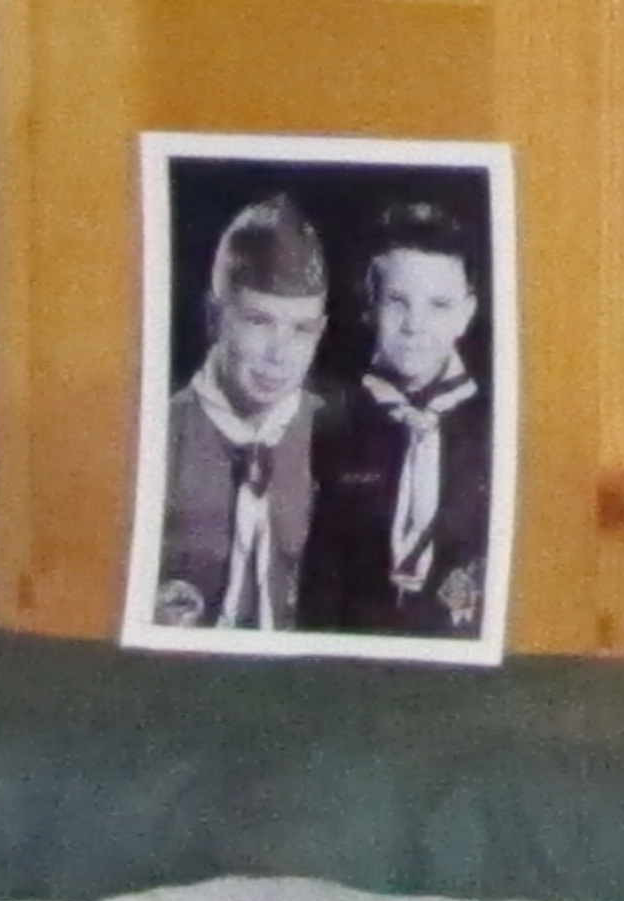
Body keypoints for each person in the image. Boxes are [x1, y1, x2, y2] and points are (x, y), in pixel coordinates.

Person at [300, 201, 496, 639]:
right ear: (370, 305)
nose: (415, 325)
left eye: (439, 305)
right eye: (397, 302)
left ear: (467, 312)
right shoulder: (329, 422)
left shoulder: (495, 430)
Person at [148, 194, 327, 631]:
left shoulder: (338, 435)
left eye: (301, 329)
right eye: (258, 321)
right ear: (214, 317)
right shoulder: (156, 435)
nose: (279, 355)